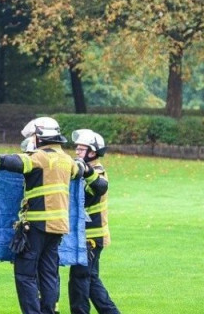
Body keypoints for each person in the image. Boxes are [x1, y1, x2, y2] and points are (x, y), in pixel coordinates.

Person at [0, 117, 92, 314]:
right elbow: (82, 169)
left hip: (36, 226)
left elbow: (11, 162)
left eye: (34, 136)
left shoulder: (41, 157)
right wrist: (83, 164)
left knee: (25, 274)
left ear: (41, 136)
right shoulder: (67, 160)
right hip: (58, 227)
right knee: (49, 273)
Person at [68, 130, 120, 314]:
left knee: (79, 279)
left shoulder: (97, 172)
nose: (76, 152)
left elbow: (97, 189)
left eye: (81, 149)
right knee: (90, 280)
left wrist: (85, 170)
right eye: (77, 148)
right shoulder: (81, 172)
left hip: (91, 236)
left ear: (92, 152)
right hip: (85, 235)